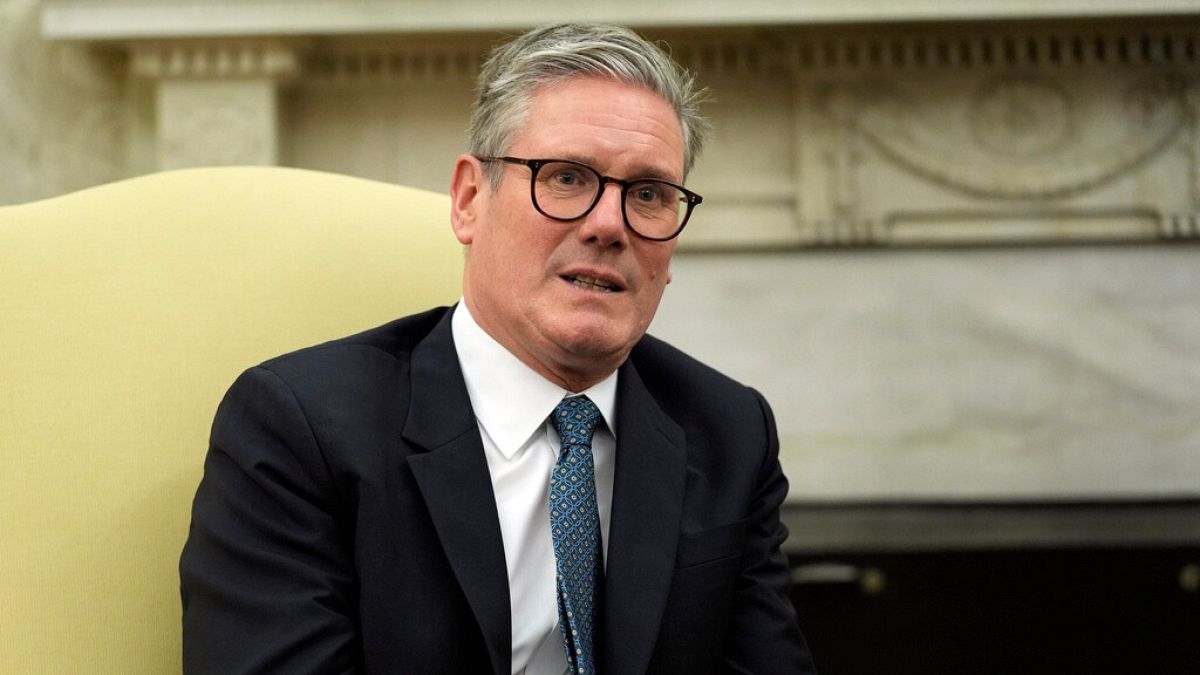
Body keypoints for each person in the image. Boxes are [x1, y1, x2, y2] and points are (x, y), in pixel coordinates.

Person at [180, 22, 816, 675]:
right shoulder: (300, 428)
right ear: (468, 200)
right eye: (566, 177)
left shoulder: (729, 431)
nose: (608, 225)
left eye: (649, 194)